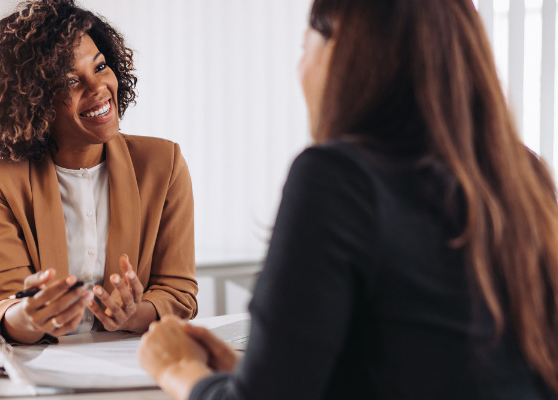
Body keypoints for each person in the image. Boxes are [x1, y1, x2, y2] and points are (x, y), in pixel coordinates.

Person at [138, 0, 558, 399]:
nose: (300, 66)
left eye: (306, 47)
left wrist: (177, 369)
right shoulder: (524, 175)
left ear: (343, 52)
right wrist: (249, 372)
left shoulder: (337, 177)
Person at [0, 0, 198, 345]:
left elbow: (178, 292)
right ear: (32, 101)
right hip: (39, 370)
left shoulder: (163, 163)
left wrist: (133, 313)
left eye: (99, 67)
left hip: (131, 367)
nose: (97, 88)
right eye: (69, 80)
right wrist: (33, 315)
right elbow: (1, 306)